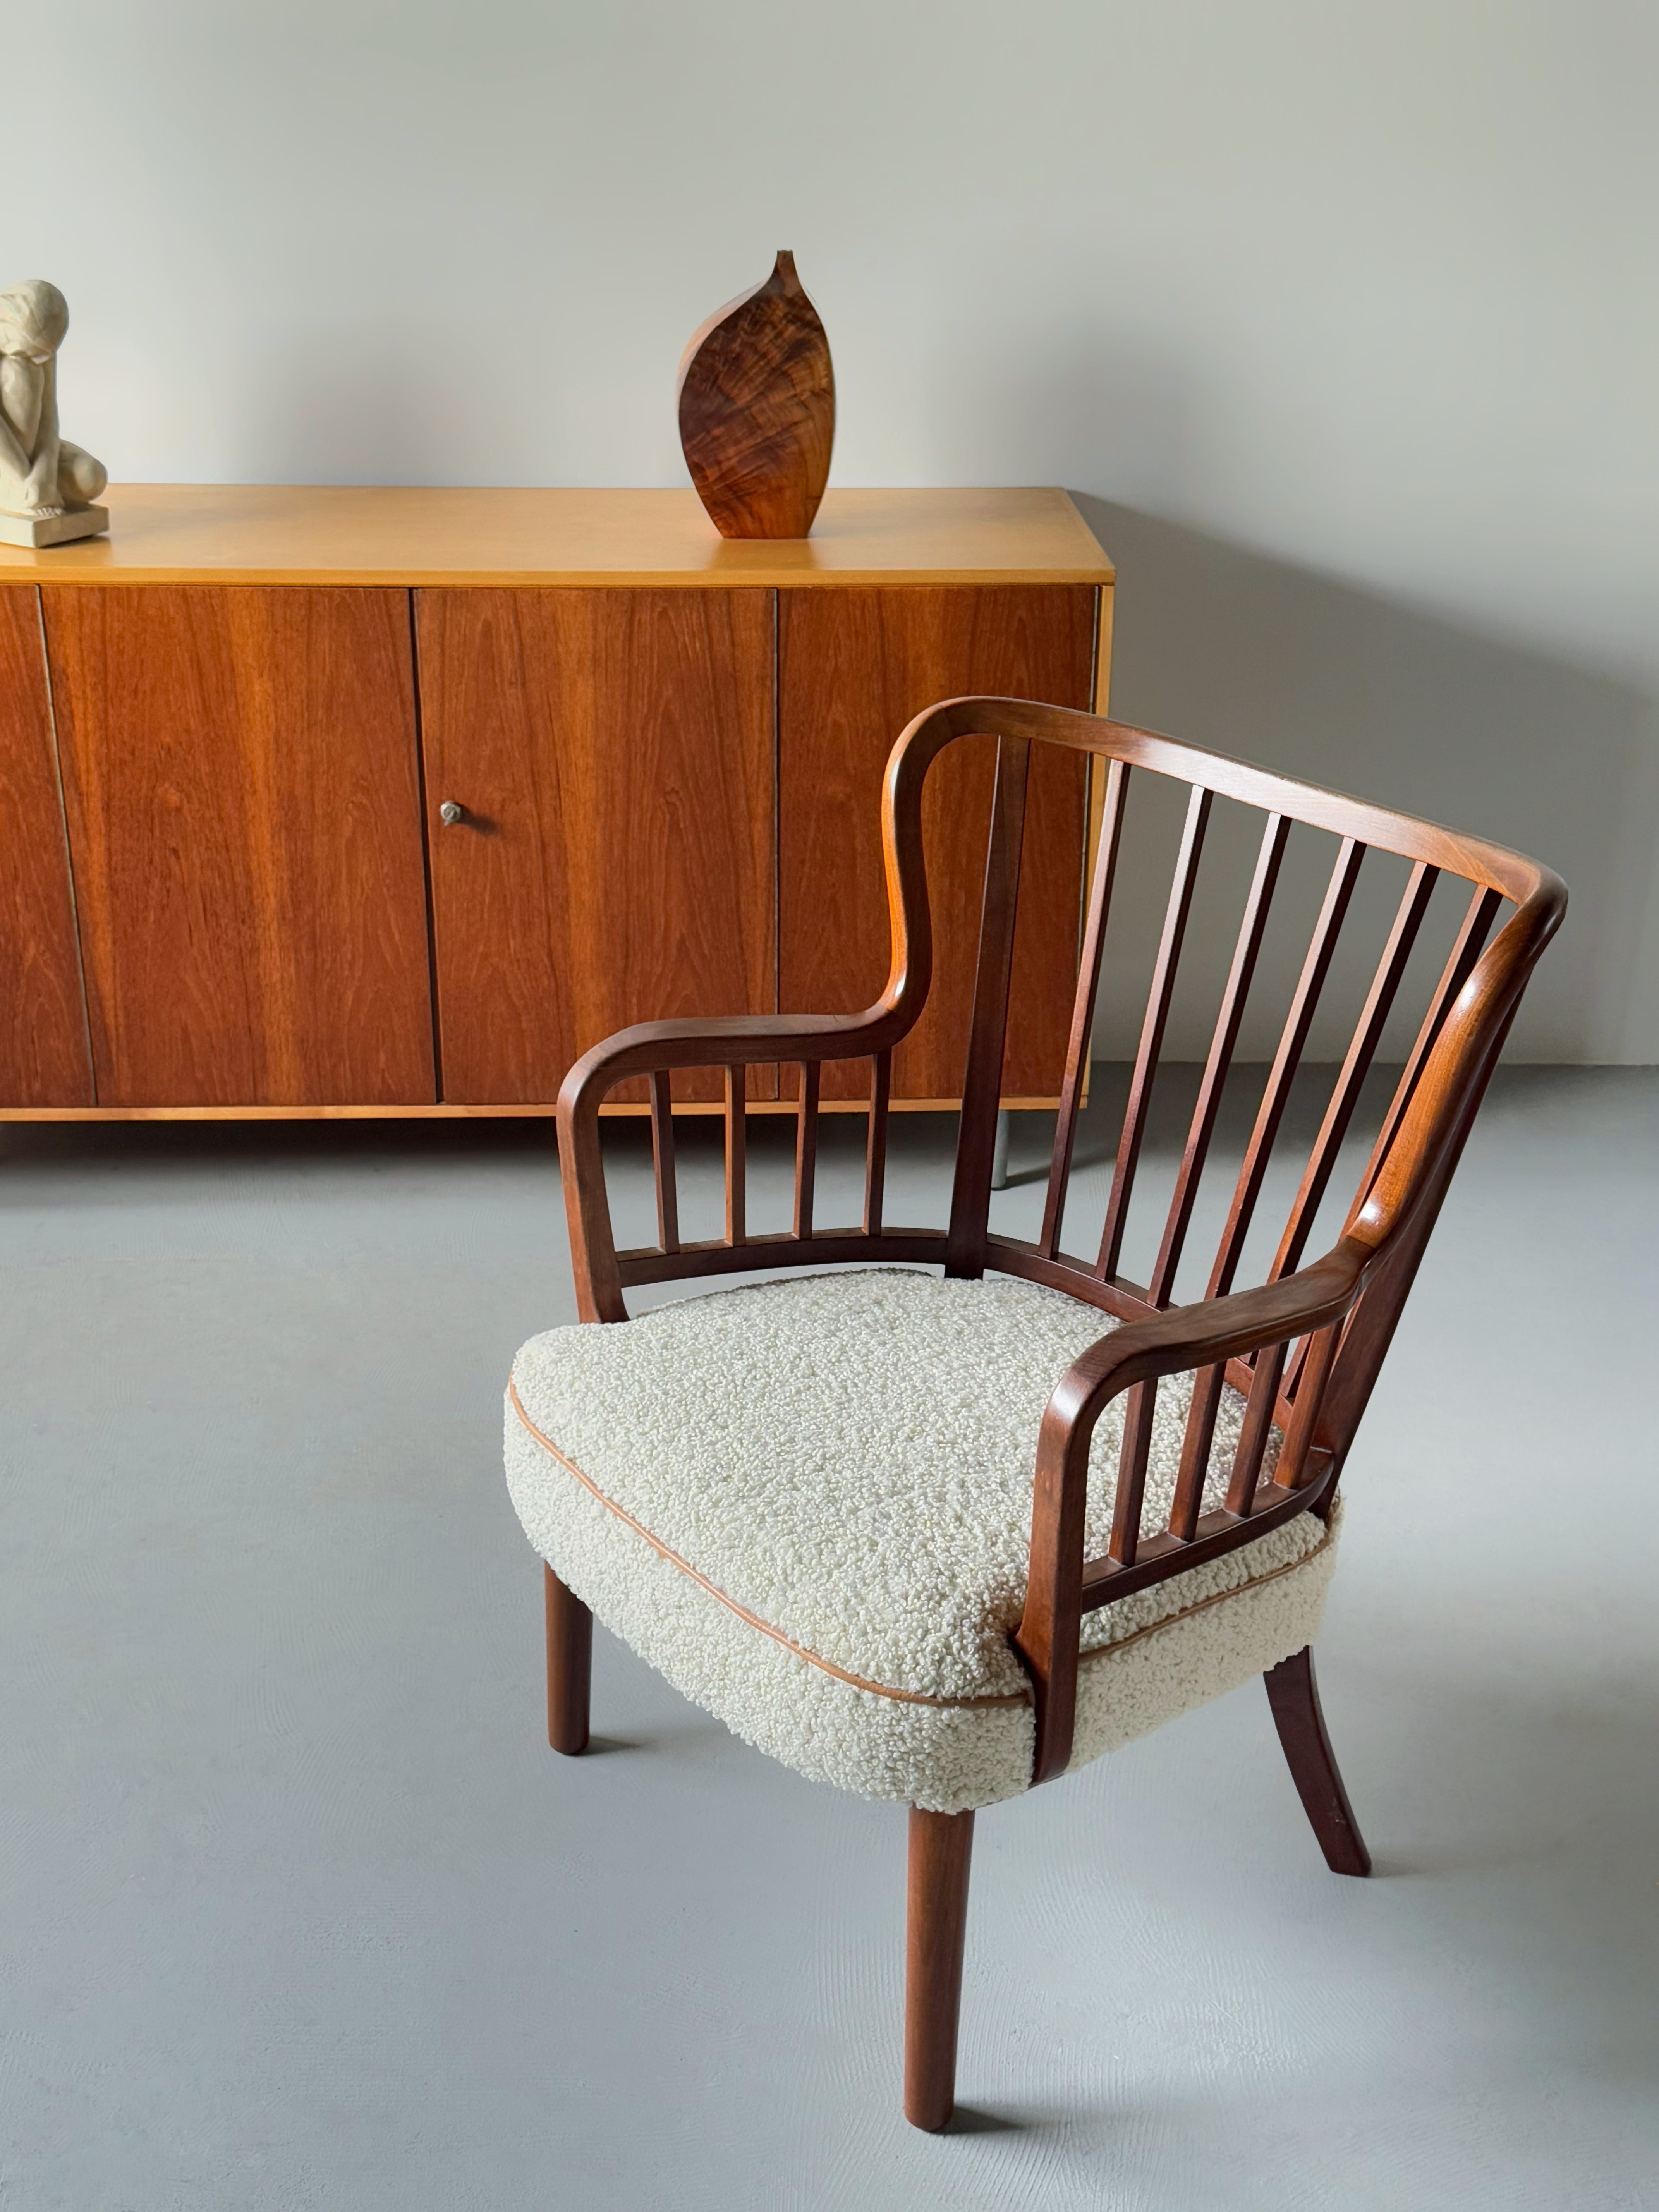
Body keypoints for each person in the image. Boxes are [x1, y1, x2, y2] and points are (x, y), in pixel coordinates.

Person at [0, 279, 107, 519]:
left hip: (31, 455)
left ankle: (32, 493)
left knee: (91, 476)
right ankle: (17, 495)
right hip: (7, 461)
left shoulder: (40, 346)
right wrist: (24, 481)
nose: (41, 359)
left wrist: (44, 475)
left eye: (47, 353)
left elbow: (48, 418)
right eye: (33, 351)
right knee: (18, 372)